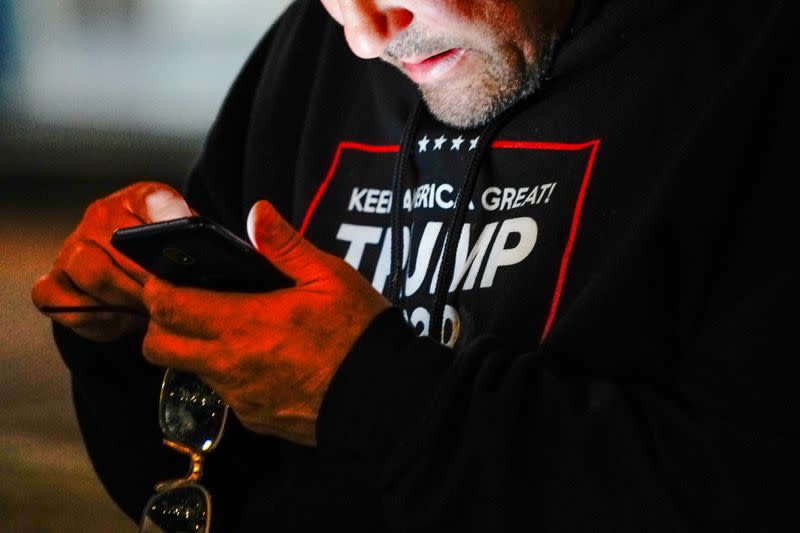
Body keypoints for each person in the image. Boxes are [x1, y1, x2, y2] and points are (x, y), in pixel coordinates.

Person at [31, 0, 798, 530]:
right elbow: (202, 489)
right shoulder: (313, 48)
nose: (366, 35)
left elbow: (744, 491)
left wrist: (377, 396)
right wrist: (132, 345)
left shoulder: (746, 66)